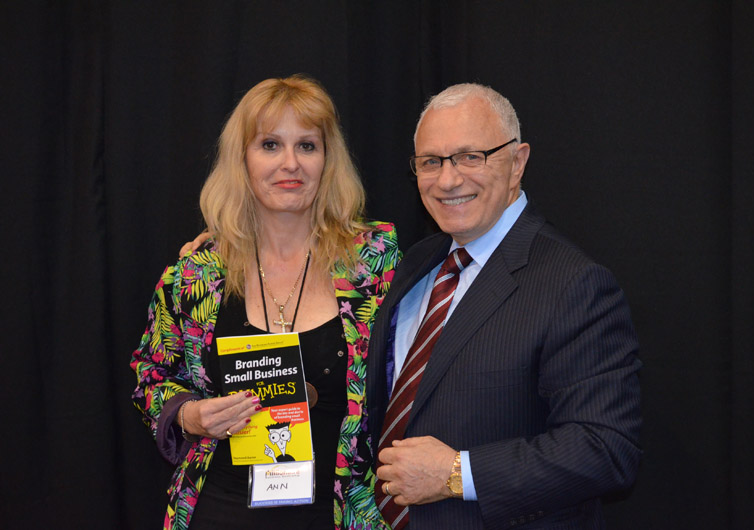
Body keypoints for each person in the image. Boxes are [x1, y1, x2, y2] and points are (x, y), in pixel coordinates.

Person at [367, 83, 642, 529]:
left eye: (470, 157)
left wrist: (457, 474)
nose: (448, 180)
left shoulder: (574, 283)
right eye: (431, 162)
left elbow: (606, 448)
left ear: (517, 163)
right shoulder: (417, 263)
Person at [131, 75, 399, 530]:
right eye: (270, 145)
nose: (290, 163)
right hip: (218, 509)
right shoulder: (197, 273)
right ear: (242, 159)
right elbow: (150, 376)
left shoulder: (376, 262)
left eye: (307, 146)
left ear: (328, 159)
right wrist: (190, 415)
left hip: (341, 512)